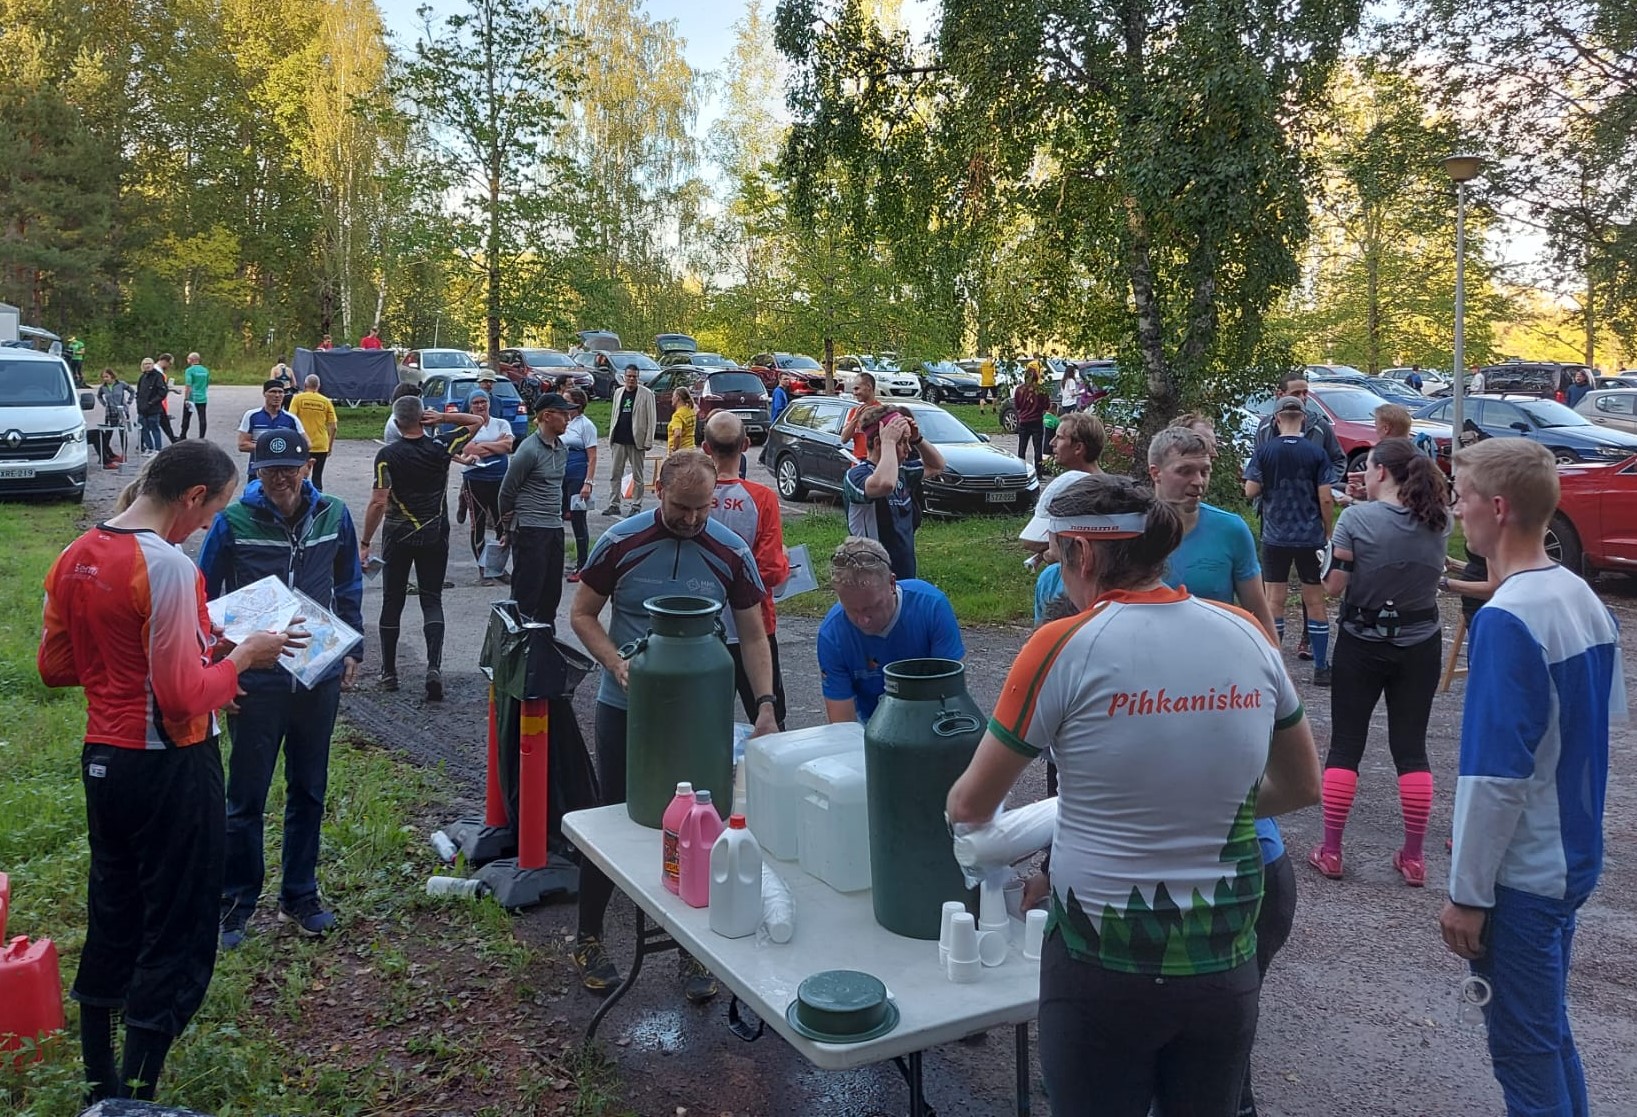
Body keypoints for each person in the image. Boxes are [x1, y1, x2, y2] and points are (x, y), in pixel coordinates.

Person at [945, 474, 1320, 1117]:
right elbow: (1302, 784)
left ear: (1084, 554)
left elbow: (969, 807)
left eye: (1056, 556)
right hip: (1224, 953)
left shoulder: (1061, 644)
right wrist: (1199, 805)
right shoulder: (1247, 633)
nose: (1057, 574)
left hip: (1100, 960)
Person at [38, 441, 299, 1103]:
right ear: (192, 496)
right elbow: (182, 700)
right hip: (172, 766)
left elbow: (57, 666)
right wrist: (242, 658)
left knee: (115, 913)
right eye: (211, 512)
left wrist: (183, 660)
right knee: (178, 930)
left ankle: (99, 1084)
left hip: (106, 761)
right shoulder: (168, 567)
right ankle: (136, 1095)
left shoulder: (76, 554)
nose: (206, 526)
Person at [1441, 438, 1624, 1116]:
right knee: (1546, 1036)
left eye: (1460, 496)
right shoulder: (1580, 596)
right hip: (1570, 855)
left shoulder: (1506, 617)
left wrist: (1467, 892)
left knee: (1522, 1050)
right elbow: (1601, 722)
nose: (1455, 511)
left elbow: (1493, 776)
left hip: (1522, 874)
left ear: (1496, 507)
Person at [569, 451, 779, 1000]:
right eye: (681, 506)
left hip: (698, 716)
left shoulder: (730, 552)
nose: (691, 519)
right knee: (613, 817)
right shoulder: (621, 542)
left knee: (700, 822)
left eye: (702, 508)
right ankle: (589, 936)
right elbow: (582, 614)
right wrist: (615, 663)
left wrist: (764, 704)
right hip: (627, 707)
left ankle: (691, 949)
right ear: (658, 489)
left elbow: (752, 635)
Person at [1146, 423, 1287, 1116]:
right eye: (1185, 470)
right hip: (1151, 714)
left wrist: (1276, 696)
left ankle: (1231, 1086)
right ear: (1155, 473)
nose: (1197, 481)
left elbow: (1259, 617)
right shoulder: (1140, 534)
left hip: (1223, 708)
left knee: (1245, 920)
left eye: (1203, 470)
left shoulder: (1230, 531)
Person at [198, 429, 364, 948]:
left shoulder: (334, 513)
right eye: (270, 471)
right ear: (257, 473)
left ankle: (300, 895)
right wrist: (220, 667)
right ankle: (235, 904)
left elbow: (349, 580)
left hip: (317, 673)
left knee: (309, 789)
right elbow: (204, 595)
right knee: (245, 796)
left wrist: (353, 647)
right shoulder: (232, 520)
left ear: (307, 468)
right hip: (257, 678)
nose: (280, 479)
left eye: (289, 469)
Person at [1309, 438, 1452, 886]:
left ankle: (1332, 850)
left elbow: (1333, 587)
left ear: (1382, 472)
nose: (1364, 475)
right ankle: (1414, 857)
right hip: (1420, 642)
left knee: (1346, 745)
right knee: (1411, 748)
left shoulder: (1356, 520)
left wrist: (1328, 552)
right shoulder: (1439, 519)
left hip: (1361, 641)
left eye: (1368, 468)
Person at [359, 396, 484, 699]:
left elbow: (378, 502)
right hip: (434, 535)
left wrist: (365, 542)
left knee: (392, 600)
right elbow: (477, 421)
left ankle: (389, 673)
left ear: (395, 422)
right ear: (422, 418)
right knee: (431, 599)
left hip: (398, 536)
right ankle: (433, 668)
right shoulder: (441, 447)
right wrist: (442, 418)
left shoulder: (387, 455)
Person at [703, 411, 791, 728]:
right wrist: (784, 560)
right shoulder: (762, 498)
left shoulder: (692, 496)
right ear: (746, 445)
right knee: (768, 718)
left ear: (705, 448)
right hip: (753, 624)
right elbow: (769, 571)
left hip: (702, 626)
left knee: (705, 720)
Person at [818, 537, 964, 724]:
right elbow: (842, 725)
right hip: (868, 727)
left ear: (892, 584)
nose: (863, 620)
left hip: (933, 720)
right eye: (851, 610)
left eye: (872, 607)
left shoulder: (931, 607)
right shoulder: (832, 634)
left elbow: (951, 697)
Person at [1244, 395, 1337, 685]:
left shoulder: (1265, 451)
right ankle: (1321, 667)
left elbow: (1250, 490)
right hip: (1309, 535)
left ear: (1276, 419)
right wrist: (1327, 529)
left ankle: (1275, 666)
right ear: (1304, 420)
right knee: (1315, 601)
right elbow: (1325, 497)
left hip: (1275, 535)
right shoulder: (1316, 453)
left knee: (1275, 601)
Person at [842, 403, 946, 580]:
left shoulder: (902, 471)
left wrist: (917, 439)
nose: (909, 449)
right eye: (902, 442)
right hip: (872, 575)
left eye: (907, 442)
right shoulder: (856, 476)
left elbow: (937, 465)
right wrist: (889, 442)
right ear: (878, 443)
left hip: (904, 572)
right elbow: (886, 484)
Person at [1021, 411, 1107, 618]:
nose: (1051, 443)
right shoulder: (1110, 490)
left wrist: (1057, 552)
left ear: (1078, 448)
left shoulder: (1076, 490)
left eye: (1059, 437)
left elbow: (1030, 542)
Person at [500, 392, 573, 622]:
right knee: (527, 594)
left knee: (551, 594)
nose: (568, 419)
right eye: (564, 414)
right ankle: (519, 640)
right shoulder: (528, 450)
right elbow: (507, 491)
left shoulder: (562, 448)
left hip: (554, 526)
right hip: (530, 528)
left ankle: (544, 640)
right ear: (547, 416)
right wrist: (507, 528)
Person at [454, 387, 515, 585]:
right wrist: (495, 445)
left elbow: (508, 446)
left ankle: (497, 567)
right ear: (470, 407)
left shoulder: (501, 423)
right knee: (478, 524)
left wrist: (481, 447)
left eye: (483, 402)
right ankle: (483, 570)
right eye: (476, 403)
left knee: (502, 525)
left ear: (489, 403)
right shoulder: (466, 427)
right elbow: (467, 449)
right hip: (475, 479)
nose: (480, 406)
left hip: (499, 479)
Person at [603, 364, 656, 516]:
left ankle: (636, 505)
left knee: (637, 476)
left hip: (636, 441)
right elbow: (615, 414)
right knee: (615, 474)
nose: (631, 379)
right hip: (619, 439)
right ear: (624, 377)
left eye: (634, 376)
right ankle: (614, 504)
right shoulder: (619, 392)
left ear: (638, 378)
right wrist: (611, 436)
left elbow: (651, 418)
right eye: (629, 376)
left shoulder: (646, 394)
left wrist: (648, 440)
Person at [562, 388, 598, 581]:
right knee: (558, 517)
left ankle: (583, 565)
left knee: (578, 520)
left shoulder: (586, 425)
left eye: (567, 401)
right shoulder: (564, 422)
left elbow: (592, 457)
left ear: (576, 404)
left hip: (577, 475)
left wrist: (588, 483)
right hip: (560, 473)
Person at [287, 375, 339, 489]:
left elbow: (291, 419)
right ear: (318, 386)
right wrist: (329, 446)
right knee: (317, 477)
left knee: (301, 475)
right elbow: (334, 427)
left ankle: (301, 496)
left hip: (302, 443)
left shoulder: (298, 399)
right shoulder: (326, 401)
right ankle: (317, 497)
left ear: (305, 385)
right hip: (321, 445)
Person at [237, 379, 300, 456]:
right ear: (264, 393)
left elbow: (306, 444)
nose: (277, 395)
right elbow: (242, 445)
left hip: (283, 463)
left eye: (280, 392)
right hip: (259, 463)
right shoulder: (251, 415)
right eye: (273, 392)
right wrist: (270, 448)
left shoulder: (291, 418)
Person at [94, 367, 135, 467]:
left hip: (122, 411)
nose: (105, 379)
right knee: (108, 434)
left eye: (107, 376)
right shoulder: (103, 387)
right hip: (110, 413)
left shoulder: (121, 384)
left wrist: (128, 402)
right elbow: (99, 396)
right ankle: (105, 455)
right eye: (103, 377)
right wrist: (104, 404)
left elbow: (132, 391)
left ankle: (124, 454)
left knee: (122, 433)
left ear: (112, 376)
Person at [1013, 366, 1050, 471]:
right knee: (1038, 448)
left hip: (1024, 421)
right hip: (1037, 420)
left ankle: (1021, 469)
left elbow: (1017, 406)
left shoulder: (1019, 390)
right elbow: (1046, 405)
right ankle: (1038, 471)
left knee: (1022, 447)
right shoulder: (1041, 390)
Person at [838, 372, 880, 458]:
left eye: (857, 388)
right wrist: (856, 418)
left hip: (875, 463)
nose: (854, 393)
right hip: (857, 462)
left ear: (868, 387)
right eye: (853, 389)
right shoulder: (855, 411)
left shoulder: (882, 411)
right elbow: (844, 439)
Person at [135, 357, 168, 454]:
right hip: (142, 408)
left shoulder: (158, 376)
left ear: (153, 365)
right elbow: (139, 392)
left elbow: (162, 392)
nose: (147, 366)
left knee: (154, 428)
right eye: (145, 364)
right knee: (143, 429)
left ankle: (158, 449)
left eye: (149, 363)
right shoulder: (142, 377)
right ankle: (149, 447)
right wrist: (139, 403)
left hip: (154, 408)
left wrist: (152, 402)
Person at [180, 352, 210, 439]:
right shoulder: (205, 370)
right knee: (202, 418)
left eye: (188, 358)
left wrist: (186, 398)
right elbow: (206, 384)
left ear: (191, 360)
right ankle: (201, 437)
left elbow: (188, 385)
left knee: (186, 417)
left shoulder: (189, 370)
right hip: (202, 397)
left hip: (192, 397)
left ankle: (183, 435)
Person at [154, 354, 181, 444]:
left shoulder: (159, 371)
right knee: (158, 422)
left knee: (162, 421)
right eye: (170, 363)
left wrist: (171, 389)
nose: (170, 366)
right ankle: (173, 439)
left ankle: (173, 439)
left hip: (158, 400)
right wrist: (171, 389)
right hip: (156, 401)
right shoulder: (157, 372)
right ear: (165, 361)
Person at [667, 385, 697, 452]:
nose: (672, 399)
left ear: (677, 398)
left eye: (673, 396)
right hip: (691, 448)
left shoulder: (678, 415)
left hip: (681, 452)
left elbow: (677, 434)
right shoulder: (691, 411)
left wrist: (675, 448)